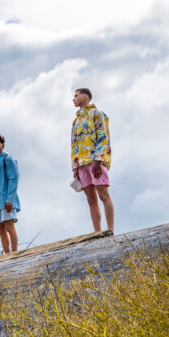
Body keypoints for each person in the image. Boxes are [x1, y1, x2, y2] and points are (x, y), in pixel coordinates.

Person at [71, 88, 115, 233]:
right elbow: (74, 144)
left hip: (95, 160)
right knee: (91, 199)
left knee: (103, 194)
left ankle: (110, 229)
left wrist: (98, 160)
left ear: (85, 96)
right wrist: (74, 167)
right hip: (81, 163)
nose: (73, 99)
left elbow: (103, 136)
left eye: (76, 96)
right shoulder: (76, 121)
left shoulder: (97, 114)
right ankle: (97, 232)